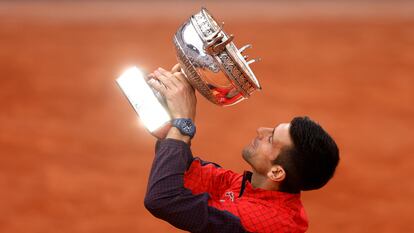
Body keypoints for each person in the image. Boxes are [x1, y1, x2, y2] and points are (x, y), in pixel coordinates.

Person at [144, 65, 340, 233]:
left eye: (271, 138)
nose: (260, 130)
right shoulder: (248, 187)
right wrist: (171, 125)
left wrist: (183, 124)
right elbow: (186, 175)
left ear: (277, 172)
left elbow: (162, 199)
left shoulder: (259, 221)